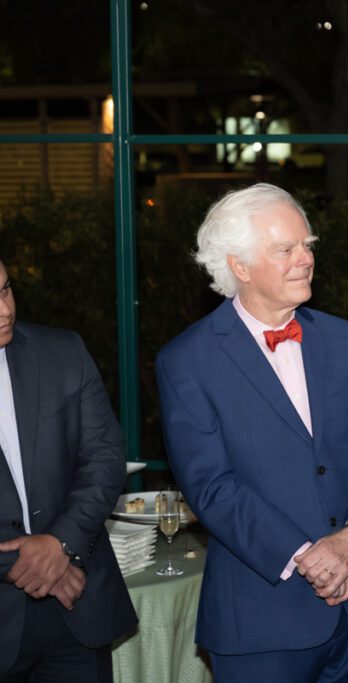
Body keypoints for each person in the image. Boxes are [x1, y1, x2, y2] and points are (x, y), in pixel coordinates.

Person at [156, 183, 348, 682]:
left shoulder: (342, 339)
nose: (305, 259)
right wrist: (310, 556)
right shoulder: (187, 361)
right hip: (259, 621)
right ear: (240, 267)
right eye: (285, 249)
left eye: (306, 245)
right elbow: (211, 487)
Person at [0, 259, 137, 681]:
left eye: (5, 290)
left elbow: (105, 457)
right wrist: (36, 564)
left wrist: (61, 544)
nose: (5, 310)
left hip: (77, 615)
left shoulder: (61, 352)